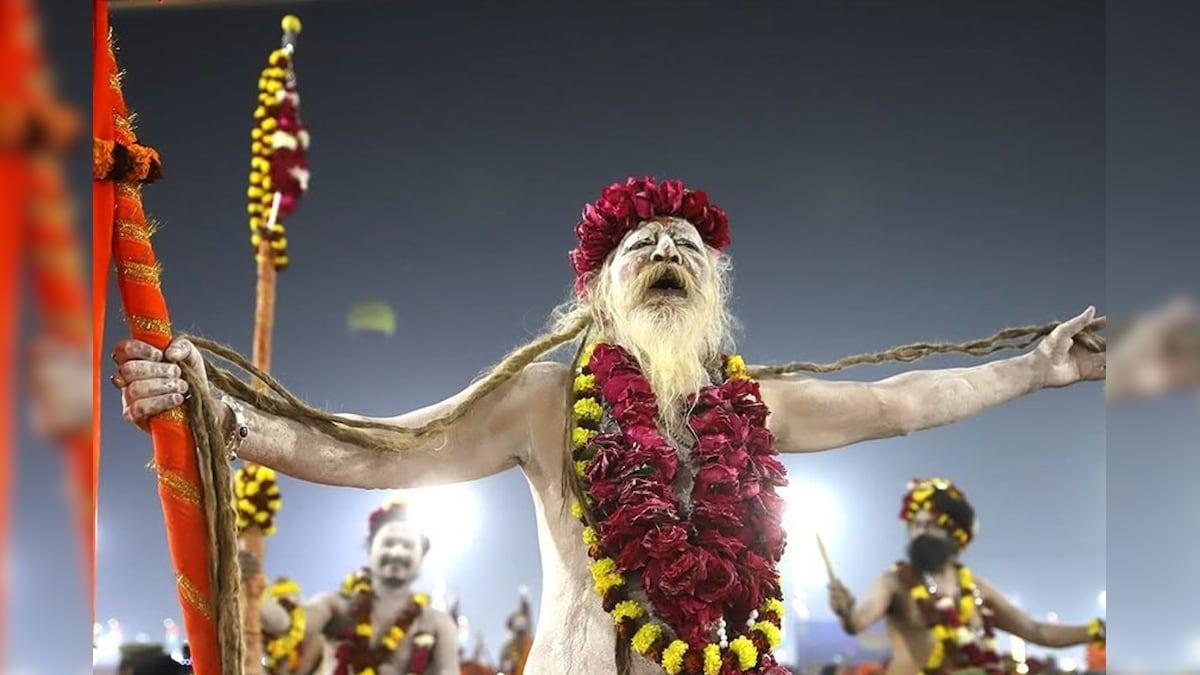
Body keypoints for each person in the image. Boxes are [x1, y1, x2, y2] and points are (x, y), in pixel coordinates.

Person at [114, 177, 1104, 674]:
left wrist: (1037, 369)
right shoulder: (545, 401)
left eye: (686, 245)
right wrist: (224, 415)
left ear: (716, 289)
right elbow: (381, 448)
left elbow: (900, 404)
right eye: (644, 245)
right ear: (596, 295)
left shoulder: (758, 406)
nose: (668, 249)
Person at [828, 478, 1104, 674]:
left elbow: (1035, 631)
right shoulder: (893, 582)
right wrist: (845, 610)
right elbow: (858, 620)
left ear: (954, 535)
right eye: (916, 524)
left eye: (932, 525)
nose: (921, 531)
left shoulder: (975, 586)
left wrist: (1096, 631)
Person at [259, 501, 459, 675]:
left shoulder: (438, 623)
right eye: (388, 543)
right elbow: (288, 625)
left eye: (408, 546)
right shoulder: (335, 606)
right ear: (370, 549)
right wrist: (253, 592)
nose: (397, 552)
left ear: (421, 556)